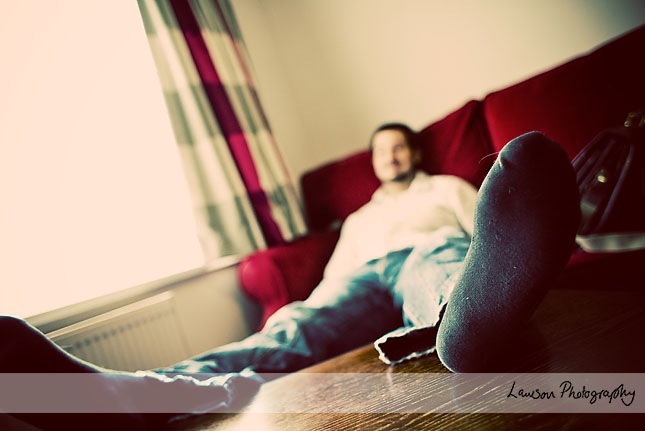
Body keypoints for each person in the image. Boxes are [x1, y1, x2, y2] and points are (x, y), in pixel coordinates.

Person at [0, 125, 580, 429]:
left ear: (414, 154)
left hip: (426, 252)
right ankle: (134, 394)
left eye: (402, 146)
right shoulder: (359, 219)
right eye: (383, 150)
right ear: (374, 162)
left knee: (440, 263)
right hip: (362, 282)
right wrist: (307, 313)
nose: (393, 155)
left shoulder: (446, 188)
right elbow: (334, 281)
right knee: (288, 331)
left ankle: (465, 321)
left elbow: (491, 239)